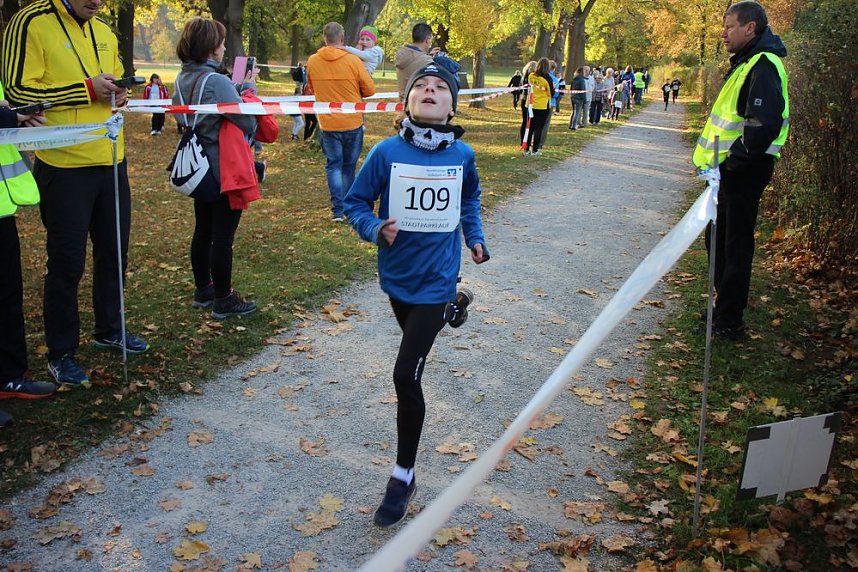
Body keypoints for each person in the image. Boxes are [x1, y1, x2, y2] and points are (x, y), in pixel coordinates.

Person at [344, 62, 489, 528]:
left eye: (440, 87)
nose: (430, 91)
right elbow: (353, 202)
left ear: (452, 105)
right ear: (406, 101)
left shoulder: (462, 154)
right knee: (417, 332)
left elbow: (469, 200)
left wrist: (475, 237)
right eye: (421, 86)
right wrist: (373, 227)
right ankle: (454, 307)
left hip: (438, 275)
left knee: (406, 374)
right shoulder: (386, 152)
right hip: (397, 278)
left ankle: (403, 475)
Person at [2, 0, 149, 386]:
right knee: (67, 263)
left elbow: (112, 87)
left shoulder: (104, 31)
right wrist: (84, 89)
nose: (97, 1)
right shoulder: (31, 21)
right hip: (64, 165)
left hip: (112, 159)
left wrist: (120, 95)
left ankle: (110, 329)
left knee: (114, 253)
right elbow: (17, 92)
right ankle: (61, 351)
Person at [693, 0, 789, 340]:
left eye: (730, 26)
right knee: (717, 241)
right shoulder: (748, 62)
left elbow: (762, 125)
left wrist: (731, 164)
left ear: (750, 28)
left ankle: (729, 321)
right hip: (727, 175)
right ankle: (721, 307)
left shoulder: (763, 65)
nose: (723, 32)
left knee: (734, 245)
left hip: (743, 173)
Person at [174, 17, 260, 319]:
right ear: (212, 48)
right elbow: (248, 121)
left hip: (198, 168)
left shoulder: (181, 80)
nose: (224, 48)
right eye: (222, 43)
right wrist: (247, 90)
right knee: (223, 237)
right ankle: (224, 298)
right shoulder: (219, 82)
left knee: (203, 230)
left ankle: (204, 289)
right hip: (224, 167)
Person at [0, 92, 57, 428]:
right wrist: (10, 118)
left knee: (8, 293)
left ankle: (9, 376)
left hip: (3, 205)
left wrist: (19, 118)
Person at [307, 22, 376, 222]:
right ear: (342, 38)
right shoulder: (353, 61)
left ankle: (337, 210)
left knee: (333, 166)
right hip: (352, 122)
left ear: (324, 37)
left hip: (327, 123)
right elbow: (370, 90)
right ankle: (347, 207)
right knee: (348, 166)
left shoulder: (313, 61)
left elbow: (310, 87)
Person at [394, 23, 437, 102]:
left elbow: (414, 59)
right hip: (419, 104)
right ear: (427, 40)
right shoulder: (427, 62)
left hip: (403, 102)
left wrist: (429, 55)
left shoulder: (401, 54)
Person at [524, 57, 553, 156]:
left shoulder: (531, 76)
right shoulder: (547, 79)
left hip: (531, 105)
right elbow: (551, 93)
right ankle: (535, 150)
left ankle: (526, 149)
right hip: (542, 106)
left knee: (530, 127)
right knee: (539, 129)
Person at [518, 60, 536, 144]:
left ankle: (523, 140)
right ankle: (527, 140)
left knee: (525, 121)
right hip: (530, 100)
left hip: (523, 98)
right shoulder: (533, 77)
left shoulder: (523, 77)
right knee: (530, 121)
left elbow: (520, 88)